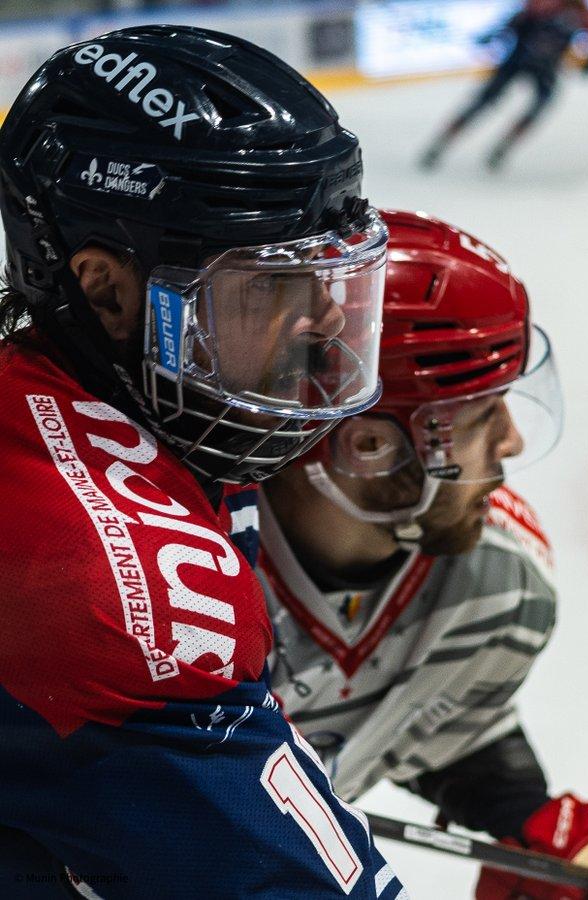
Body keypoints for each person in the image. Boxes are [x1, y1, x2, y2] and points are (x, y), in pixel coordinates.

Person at [0, 26, 408, 900]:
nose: (330, 320)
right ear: (107, 289)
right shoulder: (116, 590)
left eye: (329, 276)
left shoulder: (152, 406)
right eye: (268, 283)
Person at [259, 209, 588, 899]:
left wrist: (526, 817)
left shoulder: (500, 581)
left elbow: (415, 707)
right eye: (482, 414)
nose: (512, 442)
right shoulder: (177, 575)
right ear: (368, 445)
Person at [420, 0, 588, 169]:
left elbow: (517, 20)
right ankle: (465, 145)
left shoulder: (575, 11)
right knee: (495, 102)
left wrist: (495, 35)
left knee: (489, 102)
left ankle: (456, 144)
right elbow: (519, 20)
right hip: (529, 62)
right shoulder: (574, 10)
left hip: (528, 62)